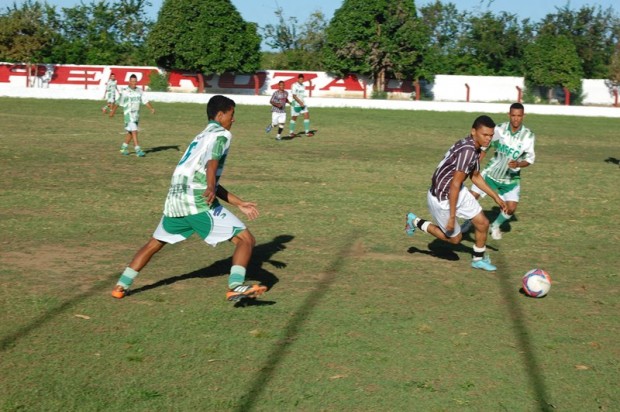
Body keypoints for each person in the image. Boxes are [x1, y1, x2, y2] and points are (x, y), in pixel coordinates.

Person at [111, 95, 267, 302]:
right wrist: (210, 187)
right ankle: (235, 286)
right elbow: (212, 164)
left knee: (154, 243)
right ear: (220, 115)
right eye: (232, 114)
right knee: (245, 239)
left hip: (175, 199)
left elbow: (201, 174)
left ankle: (121, 285)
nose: (233, 120)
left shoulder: (200, 136)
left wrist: (238, 203)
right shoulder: (222, 135)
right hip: (198, 201)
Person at [405, 115, 507, 271]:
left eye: (491, 135)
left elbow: (475, 176)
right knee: (455, 239)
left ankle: (478, 260)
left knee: (483, 223)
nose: (488, 139)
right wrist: (452, 217)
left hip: (456, 191)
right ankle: (415, 221)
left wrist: (496, 198)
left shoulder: (473, 147)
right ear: (474, 132)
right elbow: (455, 183)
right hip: (442, 198)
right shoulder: (468, 151)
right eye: (485, 135)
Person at [463, 103, 536, 240]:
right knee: (470, 199)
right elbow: (485, 148)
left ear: (523, 116)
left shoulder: (528, 136)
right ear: (509, 115)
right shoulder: (499, 130)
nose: (516, 119)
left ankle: (495, 225)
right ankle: (467, 222)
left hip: (511, 178)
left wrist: (519, 164)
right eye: (513, 115)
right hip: (491, 174)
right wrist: (474, 165)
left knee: (511, 208)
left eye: (519, 116)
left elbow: (530, 159)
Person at [110, 74, 155, 157]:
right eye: (132, 81)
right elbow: (118, 102)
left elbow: (145, 101)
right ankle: (137, 149)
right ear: (129, 81)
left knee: (130, 133)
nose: (134, 83)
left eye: (135, 81)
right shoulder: (125, 91)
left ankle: (123, 148)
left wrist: (151, 108)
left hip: (136, 115)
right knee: (134, 131)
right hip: (128, 114)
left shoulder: (139, 91)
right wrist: (113, 111)